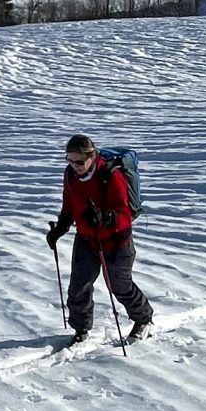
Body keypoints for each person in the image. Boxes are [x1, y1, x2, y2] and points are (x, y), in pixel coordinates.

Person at [46, 133, 153, 343]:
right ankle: (81, 330)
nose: (74, 165)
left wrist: (105, 218)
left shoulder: (109, 175)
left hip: (117, 241)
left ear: (92, 156)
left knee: (119, 286)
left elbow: (124, 215)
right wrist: (60, 227)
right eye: (70, 159)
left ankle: (144, 319)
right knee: (79, 287)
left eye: (79, 161)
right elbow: (69, 205)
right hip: (87, 239)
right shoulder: (70, 175)